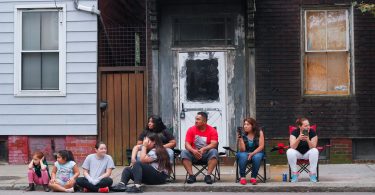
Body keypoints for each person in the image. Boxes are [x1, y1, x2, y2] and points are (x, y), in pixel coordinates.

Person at [180, 112, 219, 184]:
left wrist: (204, 149)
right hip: (193, 155)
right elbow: (187, 144)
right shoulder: (191, 129)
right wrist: (193, 151)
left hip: (206, 155)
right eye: (195, 119)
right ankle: (191, 176)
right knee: (184, 152)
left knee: (214, 151)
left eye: (198, 119)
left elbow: (214, 144)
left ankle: (208, 176)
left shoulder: (212, 130)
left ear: (204, 121)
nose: (196, 121)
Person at [286, 117, 319, 183]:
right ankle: (295, 174)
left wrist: (307, 139)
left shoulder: (312, 132)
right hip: (297, 153)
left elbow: (313, 147)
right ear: (300, 126)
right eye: (306, 126)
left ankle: (312, 174)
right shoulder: (294, 132)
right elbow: (292, 147)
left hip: (308, 153)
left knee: (315, 151)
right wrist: (298, 139)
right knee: (289, 151)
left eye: (309, 125)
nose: (308, 127)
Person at [236, 117, 265, 185]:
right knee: (243, 155)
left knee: (257, 157)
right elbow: (242, 149)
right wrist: (240, 140)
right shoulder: (242, 134)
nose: (245, 126)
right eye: (244, 124)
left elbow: (261, 146)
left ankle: (253, 177)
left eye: (248, 124)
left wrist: (252, 153)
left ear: (253, 125)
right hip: (245, 152)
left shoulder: (259, 132)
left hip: (257, 152)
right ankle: (242, 177)